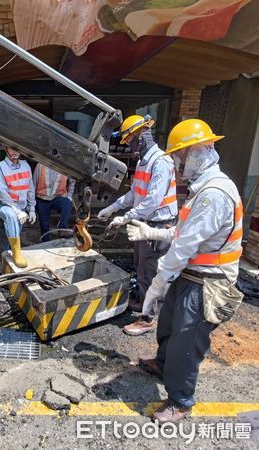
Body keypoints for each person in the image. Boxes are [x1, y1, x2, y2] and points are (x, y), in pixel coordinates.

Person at [127, 119, 243, 423]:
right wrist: (151, 234)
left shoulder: (213, 194)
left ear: (198, 152)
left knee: (186, 341)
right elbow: (182, 233)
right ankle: (162, 365)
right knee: (167, 326)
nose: (177, 162)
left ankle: (180, 401)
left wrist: (157, 283)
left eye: (181, 156)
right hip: (191, 275)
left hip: (208, 282)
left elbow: (183, 247)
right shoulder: (202, 189)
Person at [97, 114, 177, 334]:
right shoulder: (143, 162)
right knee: (140, 265)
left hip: (157, 226)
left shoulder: (160, 162)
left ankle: (148, 318)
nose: (130, 147)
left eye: (130, 141)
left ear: (142, 136)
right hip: (144, 224)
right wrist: (113, 207)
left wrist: (125, 217)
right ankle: (142, 300)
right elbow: (134, 193)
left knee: (151, 271)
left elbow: (152, 200)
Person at [0, 147, 36, 268]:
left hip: (22, 207)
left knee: (12, 233)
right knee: (11, 217)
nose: (15, 151)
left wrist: (32, 209)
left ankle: (7, 263)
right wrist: (17, 211)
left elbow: (30, 188)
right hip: (4, 205)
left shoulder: (26, 166)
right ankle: (17, 255)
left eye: (17, 148)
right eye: (11, 148)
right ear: (6, 149)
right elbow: (2, 194)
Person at [33, 163, 75, 242]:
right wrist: (32, 204)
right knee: (44, 225)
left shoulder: (66, 165)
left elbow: (72, 182)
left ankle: (62, 229)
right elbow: (33, 183)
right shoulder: (40, 165)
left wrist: (69, 196)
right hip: (41, 199)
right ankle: (45, 243)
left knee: (67, 203)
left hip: (57, 198)